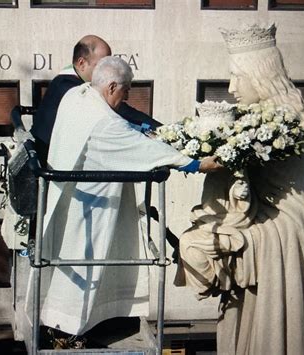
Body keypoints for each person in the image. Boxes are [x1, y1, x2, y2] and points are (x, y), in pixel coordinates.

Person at [37, 56, 221, 340]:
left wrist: (138, 129)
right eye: (127, 90)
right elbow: (139, 148)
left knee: (75, 261)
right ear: (111, 87)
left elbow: (123, 130)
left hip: (71, 197)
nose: (128, 96)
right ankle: (67, 331)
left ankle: (65, 324)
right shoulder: (106, 124)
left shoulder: (79, 95)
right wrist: (194, 164)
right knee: (88, 263)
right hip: (94, 207)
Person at [174, 24, 304, 354]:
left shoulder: (287, 121)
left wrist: (207, 152)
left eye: (239, 76)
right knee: (195, 243)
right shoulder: (253, 119)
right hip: (252, 220)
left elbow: (238, 163)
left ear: (261, 76)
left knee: (195, 245)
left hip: (281, 235)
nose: (231, 87)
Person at [30, 34, 162, 167]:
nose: (109, 69)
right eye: (102, 65)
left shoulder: (63, 83)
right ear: (81, 63)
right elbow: (119, 113)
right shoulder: (73, 89)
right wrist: (162, 131)